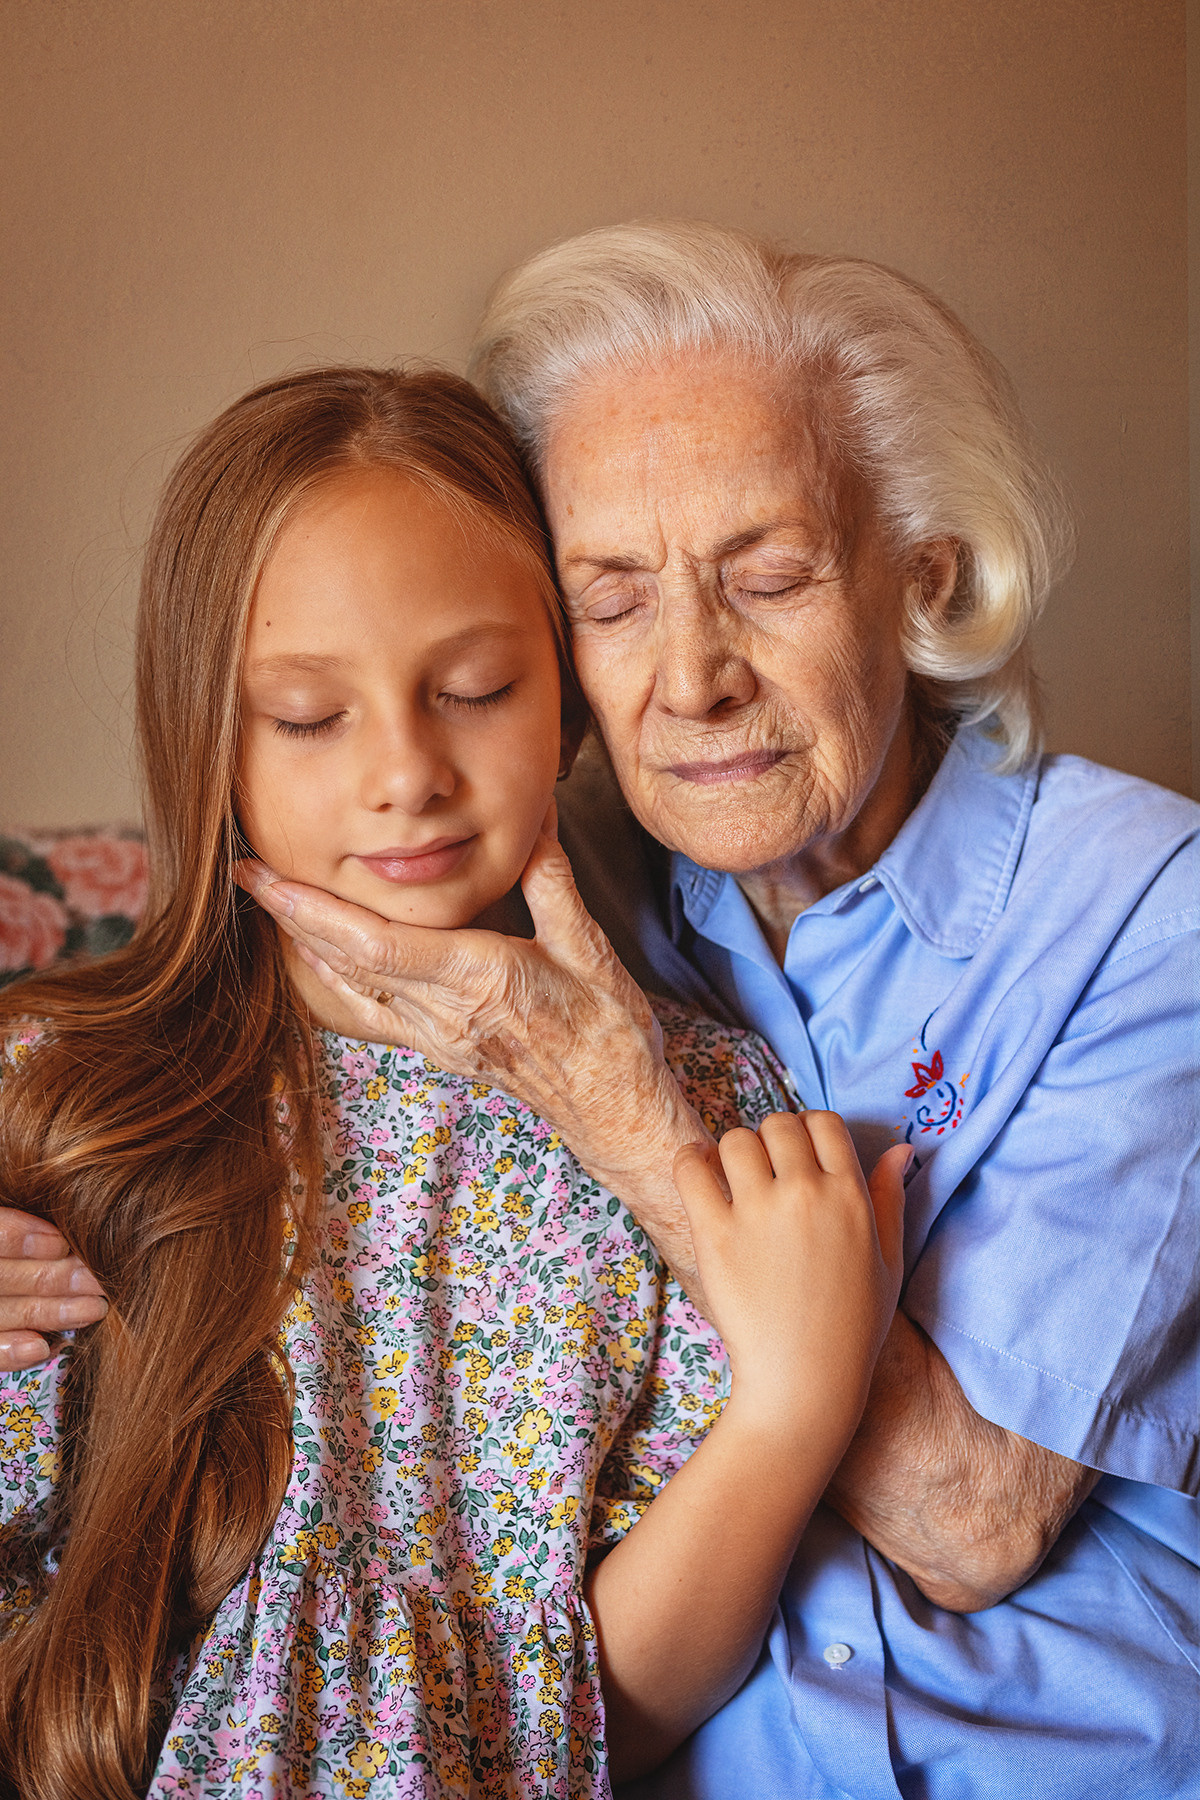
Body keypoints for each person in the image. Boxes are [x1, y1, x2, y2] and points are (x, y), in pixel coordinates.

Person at [1, 222, 1196, 1794]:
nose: (690, 678)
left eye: (767, 577)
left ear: (925, 573)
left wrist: (648, 1145)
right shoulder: (580, 879)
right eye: (615, 599)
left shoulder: (1141, 908)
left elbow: (975, 1527)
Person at [0, 366, 906, 1799]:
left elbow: (627, 1708)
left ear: (569, 701)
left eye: (474, 690)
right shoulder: (60, 1084)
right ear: (211, 745)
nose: (406, 772)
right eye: (307, 716)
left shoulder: (705, 1109)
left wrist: (797, 1403)